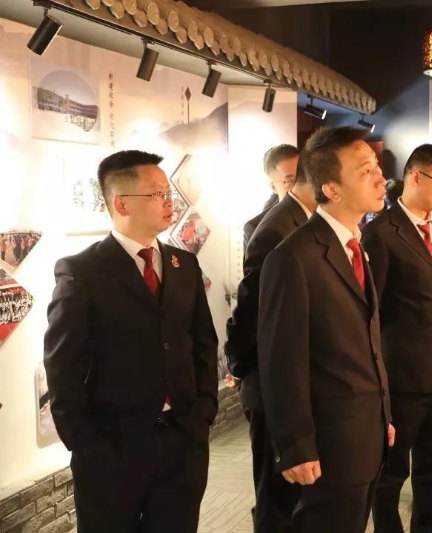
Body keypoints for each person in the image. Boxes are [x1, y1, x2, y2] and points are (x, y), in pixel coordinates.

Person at [43, 150, 218, 533]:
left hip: (182, 441)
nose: (168, 202)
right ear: (121, 203)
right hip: (112, 448)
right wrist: (86, 446)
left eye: (168, 192)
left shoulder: (183, 264)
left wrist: (204, 409)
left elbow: (204, 342)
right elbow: (62, 368)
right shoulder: (82, 272)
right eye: (156, 194)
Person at [258, 126, 393, 533]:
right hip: (327, 441)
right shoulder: (293, 257)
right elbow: (282, 360)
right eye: (365, 170)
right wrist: (296, 445)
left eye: (376, 166)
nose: (380, 178)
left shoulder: (355, 244)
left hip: (363, 431)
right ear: (331, 189)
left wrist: (382, 414)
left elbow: (364, 342)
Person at [365, 144, 432, 533]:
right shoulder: (380, 233)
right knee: (391, 471)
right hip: (403, 375)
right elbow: (372, 310)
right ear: (416, 177)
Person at [226, 158, 317, 531]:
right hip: (272, 383)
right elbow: (253, 312)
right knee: (277, 499)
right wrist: (240, 367)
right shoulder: (274, 230)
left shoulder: (309, 222)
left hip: (297, 380)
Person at [243, 145, 301, 247]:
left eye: (303, 176)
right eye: (290, 180)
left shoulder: (324, 208)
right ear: (274, 187)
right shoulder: (259, 230)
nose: (301, 184)